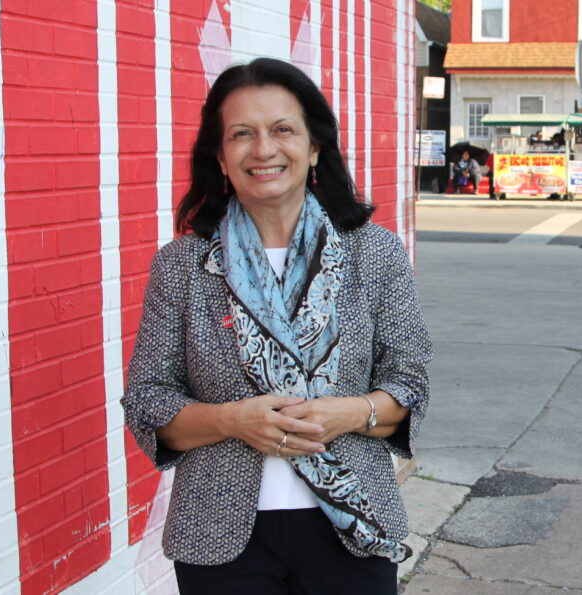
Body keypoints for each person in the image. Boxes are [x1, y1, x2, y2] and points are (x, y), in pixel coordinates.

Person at [121, 57, 432, 594]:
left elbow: (410, 382)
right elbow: (148, 400)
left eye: (283, 129)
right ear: (220, 157)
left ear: (314, 148)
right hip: (219, 532)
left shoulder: (374, 253)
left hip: (353, 523)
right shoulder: (183, 264)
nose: (263, 149)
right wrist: (231, 421)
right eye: (242, 134)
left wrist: (352, 412)